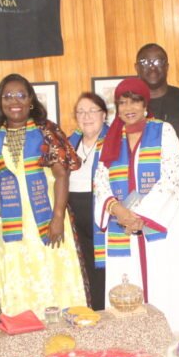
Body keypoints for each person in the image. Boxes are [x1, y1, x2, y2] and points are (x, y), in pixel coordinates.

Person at [94, 77, 179, 338]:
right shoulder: (108, 138)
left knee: (167, 283)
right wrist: (120, 212)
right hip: (122, 226)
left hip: (161, 223)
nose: (128, 107)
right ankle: (133, 346)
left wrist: (141, 215)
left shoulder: (163, 131)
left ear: (145, 104)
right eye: (122, 102)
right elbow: (100, 182)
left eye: (134, 101)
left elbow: (174, 177)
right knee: (127, 283)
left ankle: (178, 343)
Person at [0, 74, 85, 316]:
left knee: (54, 274)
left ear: (31, 100)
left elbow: (62, 175)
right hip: (8, 222)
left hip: (47, 218)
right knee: (17, 275)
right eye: (7, 96)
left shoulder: (46, 131)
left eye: (21, 95)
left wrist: (58, 217)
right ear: (0, 102)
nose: (14, 101)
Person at [135, 43, 179, 283]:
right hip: (142, 199)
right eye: (145, 62)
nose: (152, 67)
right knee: (150, 268)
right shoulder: (131, 105)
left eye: (158, 61)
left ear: (168, 66)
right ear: (136, 68)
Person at [68, 92, 109, 309]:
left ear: (104, 114)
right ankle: (91, 313)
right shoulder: (69, 142)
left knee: (103, 267)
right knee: (83, 267)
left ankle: (106, 313)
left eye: (92, 110)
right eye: (81, 112)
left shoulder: (114, 141)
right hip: (75, 213)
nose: (87, 116)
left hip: (104, 214)